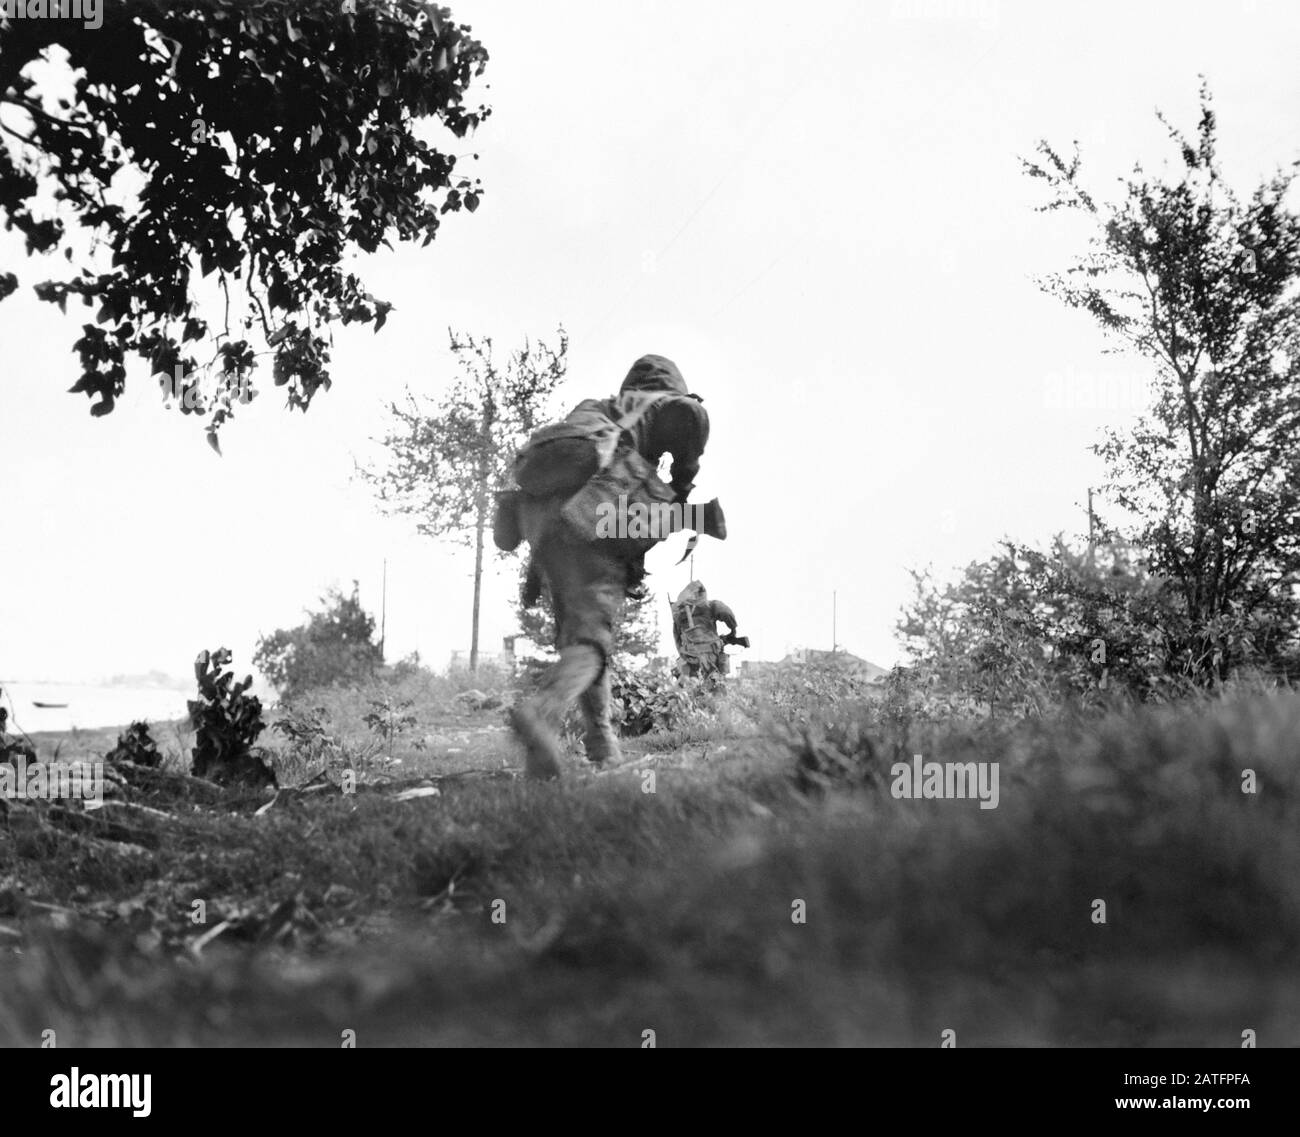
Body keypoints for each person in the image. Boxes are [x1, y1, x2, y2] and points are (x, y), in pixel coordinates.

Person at [506, 354, 718, 779]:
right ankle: (541, 710)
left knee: (585, 640)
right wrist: (682, 484)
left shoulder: (593, 412)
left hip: (547, 526)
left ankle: (601, 745)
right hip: (592, 523)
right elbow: (690, 416)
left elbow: (563, 479)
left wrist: (535, 567)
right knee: (591, 641)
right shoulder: (662, 407)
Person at [671, 580, 749, 680]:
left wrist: (683, 653)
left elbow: (676, 638)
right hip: (711, 656)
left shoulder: (679, 614)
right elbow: (727, 614)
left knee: (690, 687)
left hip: (689, 658)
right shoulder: (711, 605)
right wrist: (733, 630)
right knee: (715, 688)